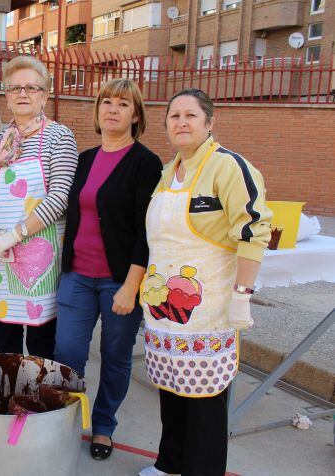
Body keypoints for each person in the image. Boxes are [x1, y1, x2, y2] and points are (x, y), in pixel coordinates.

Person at [137, 89, 271, 476]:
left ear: (209, 123)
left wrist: (242, 295)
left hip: (209, 307)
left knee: (205, 397)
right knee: (172, 388)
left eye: (190, 115)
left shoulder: (229, 167)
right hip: (165, 309)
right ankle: (171, 464)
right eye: (174, 116)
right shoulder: (167, 171)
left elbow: (254, 230)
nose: (181, 122)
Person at [55, 78, 162, 461]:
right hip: (77, 276)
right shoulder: (85, 159)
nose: (112, 109)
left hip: (120, 280)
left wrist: (131, 286)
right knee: (66, 352)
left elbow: (145, 231)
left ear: (136, 115)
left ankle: (103, 425)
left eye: (122, 103)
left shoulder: (146, 164)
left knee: (115, 357)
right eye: (105, 102)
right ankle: (66, 421)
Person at [0, 55, 78, 359]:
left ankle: (37, 404)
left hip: (41, 257)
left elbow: (60, 198)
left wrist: (15, 235)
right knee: (5, 340)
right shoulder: (0, 142)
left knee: (40, 344)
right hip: (1, 257)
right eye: (14, 88)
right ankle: (10, 400)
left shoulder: (59, 137)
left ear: (45, 95)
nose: (22, 94)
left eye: (31, 88)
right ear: (5, 95)